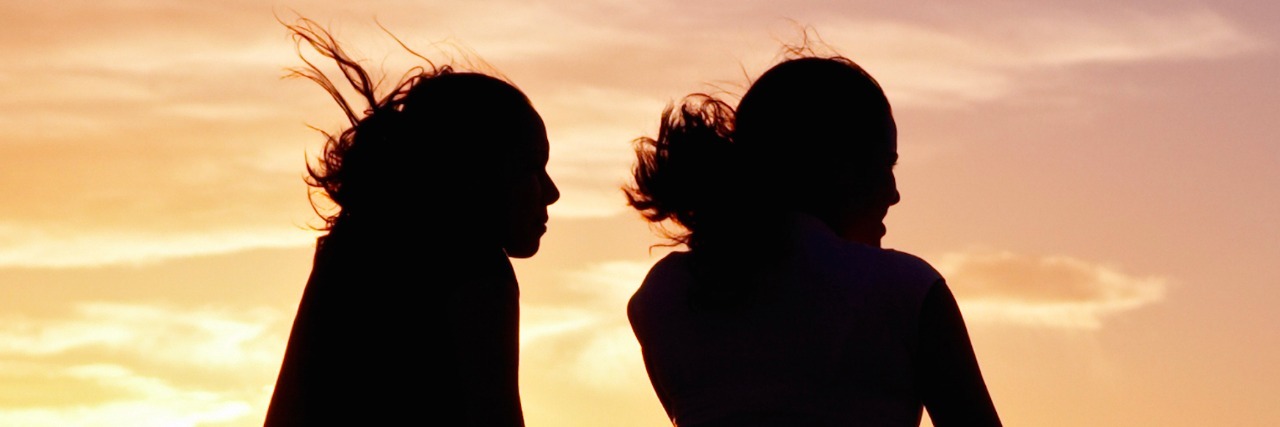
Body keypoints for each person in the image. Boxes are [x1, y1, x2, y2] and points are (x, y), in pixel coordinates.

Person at [624, 55, 1001, 426]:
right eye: (885, 165)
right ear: (840, 168)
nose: (894, 193)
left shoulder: (663, 296)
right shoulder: (909, 290)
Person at [265, 19, 558, 426]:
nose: (552, 192)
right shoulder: (475, 266)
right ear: (480, 173)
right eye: (533, 168)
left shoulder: (348, 250)